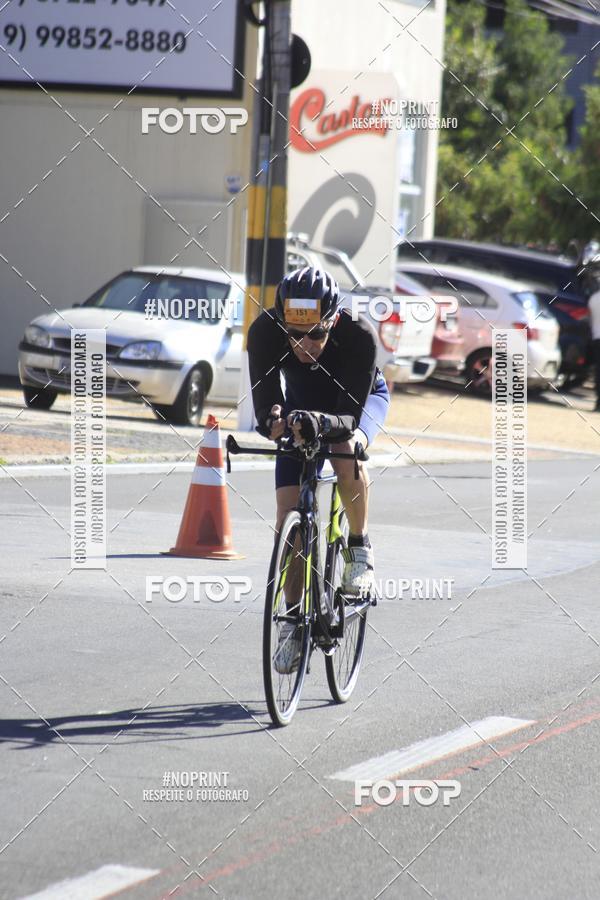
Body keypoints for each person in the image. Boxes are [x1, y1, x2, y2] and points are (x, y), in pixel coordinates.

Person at [247, 267, 390, 670]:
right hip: (302, 410)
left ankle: (359, 549)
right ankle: (292, 621)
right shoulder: (264, 332)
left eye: (315, 335)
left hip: (355, 407)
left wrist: (321, 424)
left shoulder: (359, 337)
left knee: (347, 449)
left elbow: (348, 415)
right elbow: (266, 397)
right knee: (287, 515)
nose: (303, 344)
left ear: (332, 320)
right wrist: (272, 418)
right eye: (293, 335)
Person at [585, 266, 600, 412]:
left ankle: (598, 401)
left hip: (596, 338)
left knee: (598, 371)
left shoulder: (593, 299)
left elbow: (590, 320)